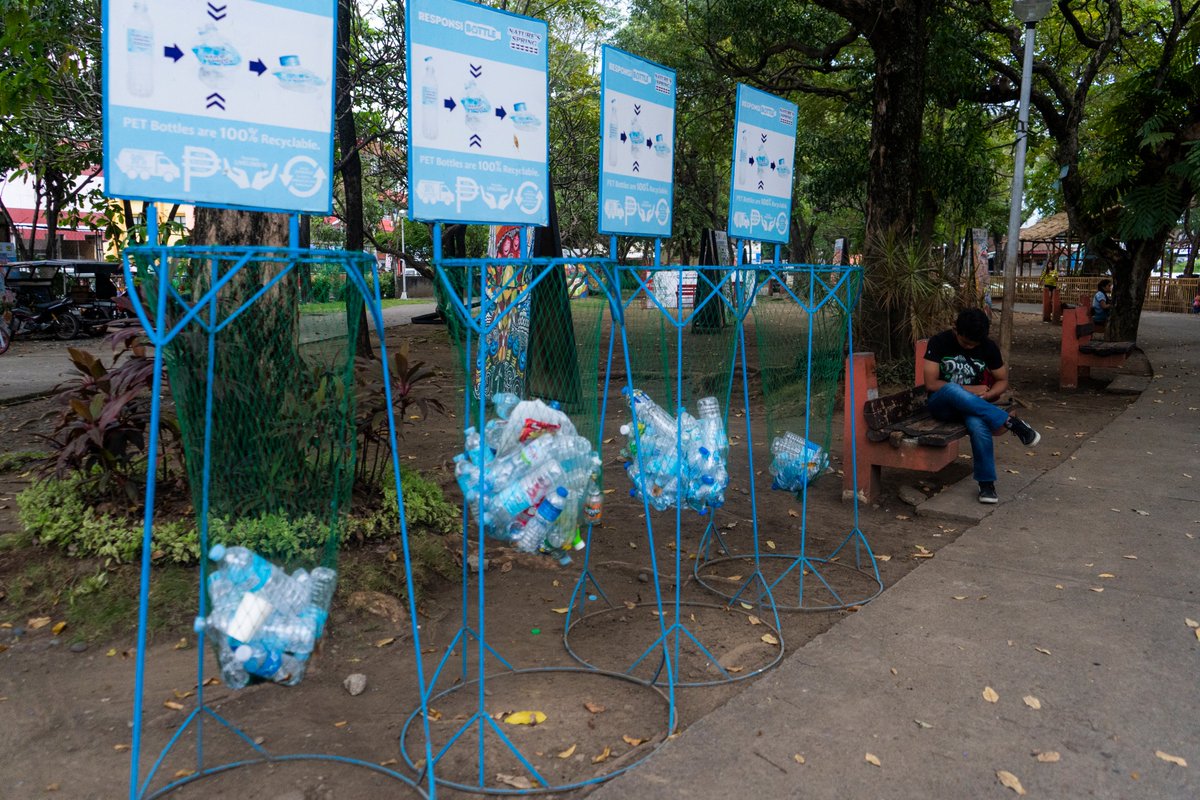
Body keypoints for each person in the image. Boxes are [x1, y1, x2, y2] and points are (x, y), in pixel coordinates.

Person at [923, 308, 1041, 504]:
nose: (969, 347)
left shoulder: (988, 347)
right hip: (941, 405)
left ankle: (986, 484)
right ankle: (1011, 422)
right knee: (953, 389)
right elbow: (932, 384)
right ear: (956, 330)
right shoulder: (939, 342)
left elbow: (1002, 380)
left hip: (974, 406)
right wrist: (970, 389)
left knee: (978, 425)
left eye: (973, 344)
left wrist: (990, 394)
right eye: (965, 343)